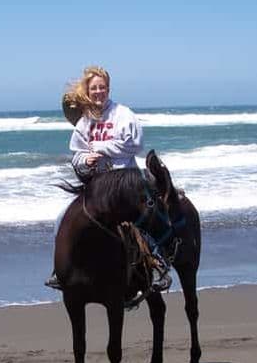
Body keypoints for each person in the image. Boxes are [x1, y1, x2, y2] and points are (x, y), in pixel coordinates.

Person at [45, 65, 171, 292]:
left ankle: (158, 262)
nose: (98, 92)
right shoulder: (84, 122)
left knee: (145, 217)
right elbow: (77, 154)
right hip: (96, 187)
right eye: (94, 88)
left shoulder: (123, 114)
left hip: (125, 183)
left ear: (108, 89)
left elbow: (134, 145)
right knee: (62, 219)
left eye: (102, 87)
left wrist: (101, 148)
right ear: (88, 91)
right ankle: (60, 270)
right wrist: (85, 161)